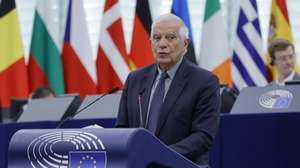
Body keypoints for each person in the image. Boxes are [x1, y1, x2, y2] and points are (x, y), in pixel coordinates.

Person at [116, 13, 220, 166]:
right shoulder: (134, 79)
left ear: (185, 44)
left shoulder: (205, 81)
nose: (162, 44)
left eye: (170, 37)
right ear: (151, 42)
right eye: (157, 38)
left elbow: (203, 136)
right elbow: (122, 129)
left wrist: (160, 154)